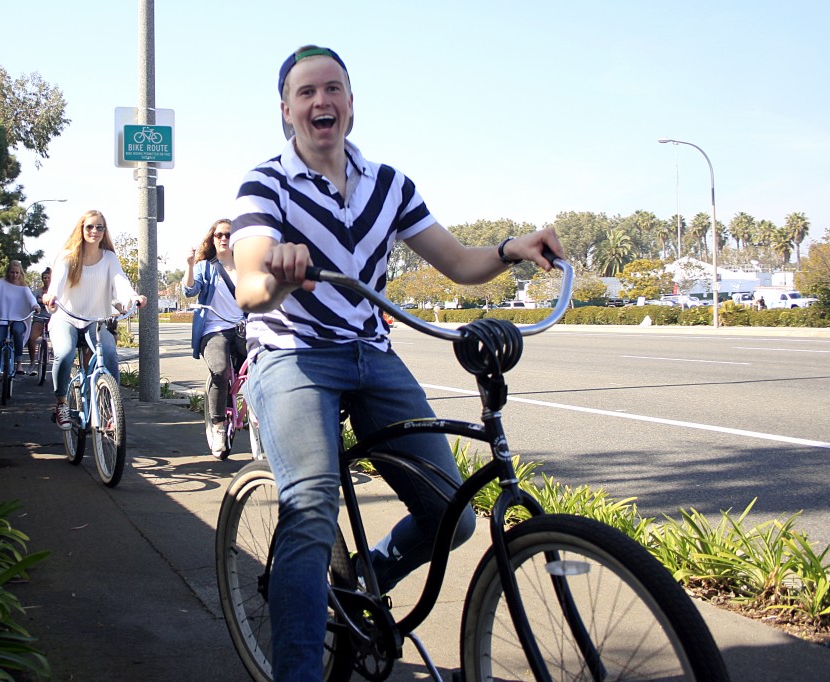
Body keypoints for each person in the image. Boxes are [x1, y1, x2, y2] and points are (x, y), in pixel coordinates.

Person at [230, 45, 566, 680]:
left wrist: (511, 249)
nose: (320, 102)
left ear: (352, 106)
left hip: (370, 355)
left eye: (333, 89)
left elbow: (460, 263)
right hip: (293, 355)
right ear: (286, 112)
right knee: (309, 506)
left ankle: (358, 581)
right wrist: (277, 274)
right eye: (306, 93)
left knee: (453, 516)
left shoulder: (389, 184)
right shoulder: (265, 183)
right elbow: (249, 281)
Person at [42, 210, 147, 430]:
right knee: (65, 352)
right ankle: (61, 402)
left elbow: (121, 282)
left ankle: (110, 410)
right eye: (90, 226)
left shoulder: (108, 257)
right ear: (81, 229)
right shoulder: (68, 255)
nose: (95, 231)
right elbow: (58, 282)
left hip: (96, 320)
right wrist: (51, 295)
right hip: (66, 318)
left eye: (100, 227)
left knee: (108, 353)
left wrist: (132, 297)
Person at [183, 219, 248, 458]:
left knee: (265, 368)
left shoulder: (246, 266)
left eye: (228, 235)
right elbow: (190, 291)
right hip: (214, 328)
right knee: (220, 371)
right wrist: (189, 266)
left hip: (243, 328)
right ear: (212, 239)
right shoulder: (205, 267)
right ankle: (219, 426)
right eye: (218, 235)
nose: (223, 238)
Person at [0, 260, 39, 385]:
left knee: (17, 330)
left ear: (21, 273)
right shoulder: (1, 283)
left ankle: (19, 363)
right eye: (12, 272)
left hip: (18, 318)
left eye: (17, 273)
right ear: (8, 272)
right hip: (1, 317)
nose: (14, 275)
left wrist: (35, 306)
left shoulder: (23, 286)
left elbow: (30, 298)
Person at [27, 267, 52, 366]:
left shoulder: (56, 291)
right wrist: (39, 301)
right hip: (40, 318)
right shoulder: (36, 292)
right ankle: (32, 361)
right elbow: (31, 301)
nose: (46, 279)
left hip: (53, 319)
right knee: (32, 338)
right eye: (44, 278)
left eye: (48, 278)